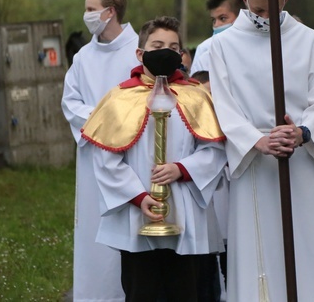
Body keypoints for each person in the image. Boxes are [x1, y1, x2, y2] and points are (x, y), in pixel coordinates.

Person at [209, 0, 314, 302]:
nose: (266, 18)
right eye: (258, 10)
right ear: (244, 0)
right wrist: (257, 140)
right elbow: (223, 106)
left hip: (300, 160)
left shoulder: (310, 41)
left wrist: (301, 132)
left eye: (274, 9)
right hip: (256, 163)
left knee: (310, 244)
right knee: (260, 250)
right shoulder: (223, 46)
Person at [82, 16, 227, 301]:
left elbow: (214, 150)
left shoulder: (196, 97)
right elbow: (107, 159)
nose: (166, 51)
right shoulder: (119, 99)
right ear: (140, 52)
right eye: (157, 45)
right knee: (141, 290)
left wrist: (182, 169)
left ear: (182, 55)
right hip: (138, 213)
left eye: (174, 47)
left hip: (185, 210)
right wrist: (138, 197)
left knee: (185, 290)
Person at [61, 0, 139, 302]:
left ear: (111, 12)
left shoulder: (137, 48)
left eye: (92, 9)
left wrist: (120, 122)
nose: (87, 15)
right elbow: (70, 102)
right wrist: (99, 117)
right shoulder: (83, 57)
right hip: (94, 153)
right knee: (95, 228)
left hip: (131, 151)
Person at [190, 0, 245, 75]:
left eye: (223, 18)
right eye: (213, 20)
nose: (216, 25)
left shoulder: (259, 46)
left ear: (241, 17)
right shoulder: (204, 50)